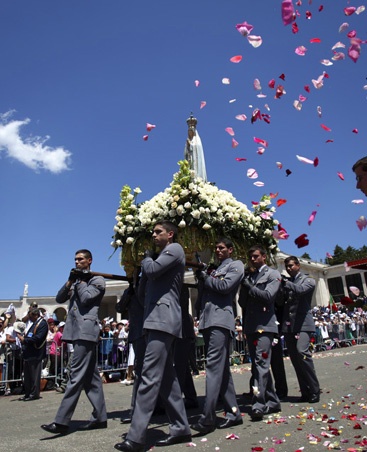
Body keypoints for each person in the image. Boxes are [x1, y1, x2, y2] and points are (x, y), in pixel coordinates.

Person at [115, 220, 191, 452]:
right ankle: (180, 427)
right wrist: (139, 271)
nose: (154, 235)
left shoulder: (175, 249)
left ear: (170, 234)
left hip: (163, 318)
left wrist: (146, 259)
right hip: (153, 319)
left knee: (148, 375)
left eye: (158, 232)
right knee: (166, 379)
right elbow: (142, 292)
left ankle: (137, 436)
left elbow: (153, 269)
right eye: (152, 232)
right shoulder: (157, 259)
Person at [41, 249, 107, 435]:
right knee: (90, 378)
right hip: (77, 332)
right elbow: (59, 298)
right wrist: (71, 281)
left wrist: (82, 280)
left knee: (75, 374)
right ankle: (100, 417)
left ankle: (61, 421)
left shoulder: (97, 280)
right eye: (75, 260)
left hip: (86, 331)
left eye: (80, 259)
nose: (77, 262)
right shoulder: (76, 281)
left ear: (89, 261)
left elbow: (86, 298)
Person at [190, 238, 244, 435]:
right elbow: (204, 294)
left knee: (213, 367)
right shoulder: (213, 269)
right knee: (222, 372)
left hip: (221, 320)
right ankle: (233, 412)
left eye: (222, 248)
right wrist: (201, 276)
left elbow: (224, 287)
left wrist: (206, 277)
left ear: (230, 249)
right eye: (217, 248)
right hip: (208, 320)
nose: (218, 250)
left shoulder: (236, 265)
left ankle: (208, 417)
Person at [239, 244, 281, 421]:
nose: (253, 259)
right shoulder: (250, 276)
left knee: (260, 362)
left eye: (256, 256)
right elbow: (242, 302)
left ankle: (258, 404)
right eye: (251, 257)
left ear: (264, 256)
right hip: (251, 325)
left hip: (266, 325)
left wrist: (251, 288)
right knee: (258, 365)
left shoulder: (273, 274)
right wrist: (245, 286)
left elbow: (268, 296)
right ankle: (273, 400)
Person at [281, 256, 320, 403]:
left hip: (304, 323)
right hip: (289, 325)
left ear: (298, 265)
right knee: (295, 360)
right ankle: (305, 391)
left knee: (302, 352)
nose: (289, 268)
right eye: (287, 266)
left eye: (291, 265)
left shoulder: (308, 280)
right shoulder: (287, 282)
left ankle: (315, 389)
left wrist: (284, 283)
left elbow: (301, 290)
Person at [16, 308, 48, 401]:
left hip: (35, 353)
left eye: (30, 316)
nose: (29, 318)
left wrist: (24, 340)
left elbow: (38, 338)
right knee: (27, 376)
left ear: (35, 315)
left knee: (34, 376)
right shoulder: (34, 324)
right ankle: (28, 393)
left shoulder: (42, 324)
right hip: (29, 353)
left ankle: (34, 394)